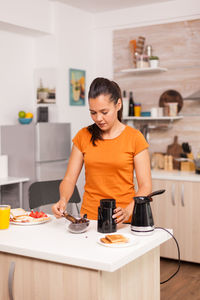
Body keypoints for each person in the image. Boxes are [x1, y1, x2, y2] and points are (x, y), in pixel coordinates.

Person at [52, 77, 152, 224]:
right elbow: (69, 179)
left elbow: (146, 185)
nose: (98, 118)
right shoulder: (83, 136)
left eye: (104, 112)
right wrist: (63, 199)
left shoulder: (135, 138)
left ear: (118, 104)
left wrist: (129, 209)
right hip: (90, 219)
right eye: (93, 112)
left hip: (123, 219)